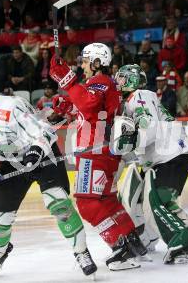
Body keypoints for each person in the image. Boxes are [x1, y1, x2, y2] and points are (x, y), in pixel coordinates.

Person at [0, 72, 97, 278]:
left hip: (44, 156)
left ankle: (82, 253)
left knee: (59, 205)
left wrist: (34, 154)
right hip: (11, 163)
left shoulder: (12, 107)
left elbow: (44, 132)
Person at [49, 43, 147, 271]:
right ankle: (131, 242)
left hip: (94, 152)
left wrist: (67, 79)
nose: (81, 65)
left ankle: (120, 247)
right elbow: (85, 111)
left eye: (85, 61)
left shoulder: (102, 82)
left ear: (96, 62)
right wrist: (67, 108)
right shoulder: (96, 85)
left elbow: (88, 104)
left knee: (86, 203)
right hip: (102, 152)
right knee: (107, 201)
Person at [113, 64, 188, 264]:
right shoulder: (129, 104)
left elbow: (149, 128)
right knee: (145, 201)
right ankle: (151, 239)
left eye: (121, 79)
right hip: (163, 159)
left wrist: (130, 141)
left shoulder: (139, 95)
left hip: (172, 155)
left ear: (132, 80)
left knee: (158, 198)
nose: (118, 83)